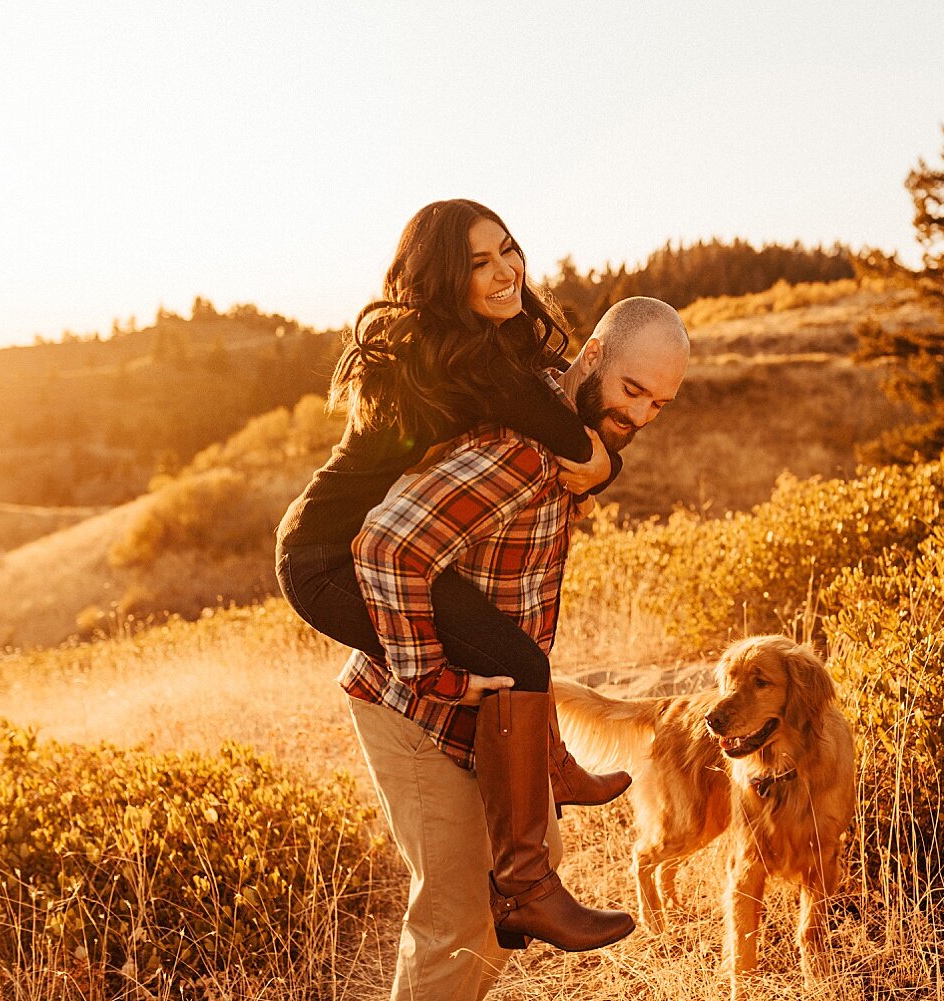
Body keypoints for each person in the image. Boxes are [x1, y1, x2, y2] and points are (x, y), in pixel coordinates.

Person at [345, 295, 689, 999]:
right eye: (632, 390)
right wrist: (430, 676)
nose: (640, 416)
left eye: (659, 403)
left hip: (488, 708)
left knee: (529, 868)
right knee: (455, 915)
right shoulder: (521, 450)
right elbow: (382, 546)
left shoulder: (568, 432)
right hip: (415, 705)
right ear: (592, 355)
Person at [276, 200, 631, 814]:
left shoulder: (486, 346)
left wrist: (603, 464)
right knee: (513, 662)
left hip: (366, 546)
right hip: (325, 560)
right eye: (479, 263)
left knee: (512, 649)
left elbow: (559, 420)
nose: (506, 271)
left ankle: (549, 781)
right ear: (444, 279)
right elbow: (572, 440)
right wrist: (607, 466)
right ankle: (534, 855)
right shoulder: (460, 357)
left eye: (508, 250)